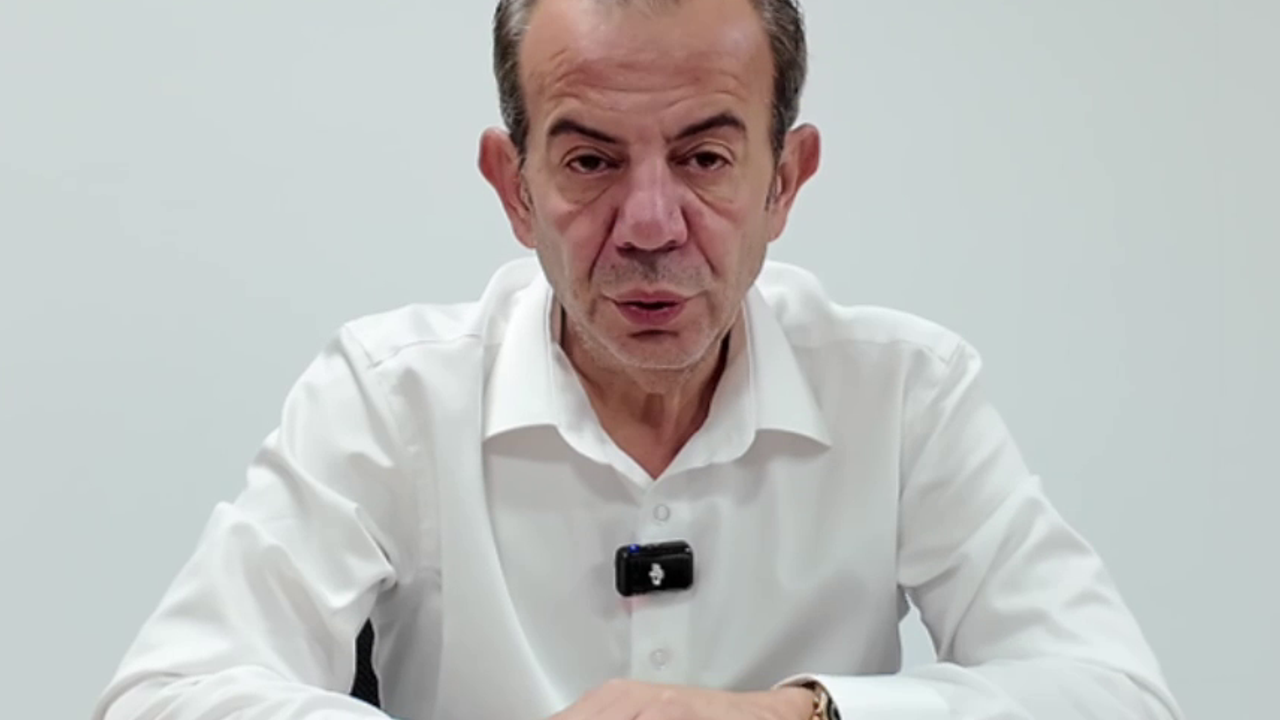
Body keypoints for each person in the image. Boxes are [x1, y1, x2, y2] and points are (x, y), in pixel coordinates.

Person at [93, 0, 1183, 718]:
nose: (651, 225)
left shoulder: (903, 393)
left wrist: (797, 715)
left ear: (784, 181)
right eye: (590, 161)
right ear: (515, 188)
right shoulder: (388, 399)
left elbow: (1116, 695)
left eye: (704, 157)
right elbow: (163, 697)